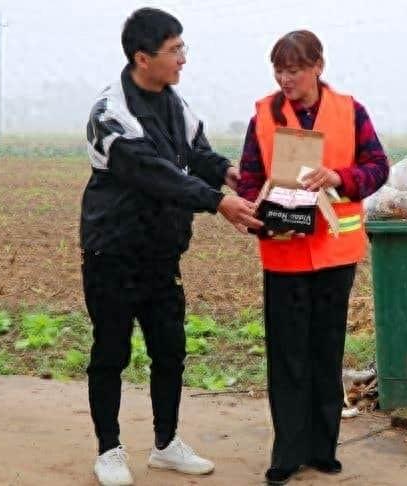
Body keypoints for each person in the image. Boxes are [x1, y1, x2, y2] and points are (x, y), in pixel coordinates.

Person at [81, 8, 262, 486]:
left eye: (184, 47)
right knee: (111, 351)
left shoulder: (175, 103)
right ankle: (110, 449)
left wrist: (224, 171)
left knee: (170, 349)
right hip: (113, 252)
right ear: (143, 57)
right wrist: (217, 201)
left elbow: (193, 153)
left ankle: (165, 444)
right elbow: (155, 174)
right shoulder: (110, 113)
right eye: (175, 50)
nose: (184, 58)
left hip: (162, 254)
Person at [237, 30, 389, 485]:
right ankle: (287, 452)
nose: (286, 78)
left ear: (318, 66)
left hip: (334, 256)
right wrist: (258, 208)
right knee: (287, 357)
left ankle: (323, 450)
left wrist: (338, 177)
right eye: (279, 70)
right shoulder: (264, 115)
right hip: (283, 255)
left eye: (294, 69)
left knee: (326, 351)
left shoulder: (350, 111)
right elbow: (247, 176)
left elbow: (378, 166)